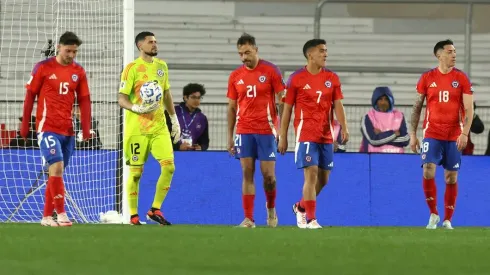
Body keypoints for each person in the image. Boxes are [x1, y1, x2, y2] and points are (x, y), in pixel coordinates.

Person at [21, 31, 92, 227]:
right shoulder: (43, 67)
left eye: (75, 52)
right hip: (47, 127)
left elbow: (85, 100)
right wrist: (25, 126)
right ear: (59, 47)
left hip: (67, 130)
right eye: (68, 50)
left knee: (56, 173)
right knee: (57, 167)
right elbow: (30, 97)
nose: (71, 55)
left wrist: (86, 128)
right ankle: (61, 214)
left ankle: (46, 217)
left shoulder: (79, 71)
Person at [278, 39, 349, 229]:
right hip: (305, 132)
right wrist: (283, 135)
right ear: (310, 55)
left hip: (326, 134)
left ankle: (300, 206)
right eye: (321, 51)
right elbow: (287, 109)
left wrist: (344, 126)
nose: (325, 54)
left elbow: (338, 104)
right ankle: (311, 219)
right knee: (311, 174)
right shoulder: (296, 78)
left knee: (324, 178)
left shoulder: (332, 78)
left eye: (326, 51)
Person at [410, 39, 474, 230]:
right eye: (449, 51)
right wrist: (413, 134)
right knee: (428, 168)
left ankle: (447, 219)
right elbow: (416, 107)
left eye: (455, 51)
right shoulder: (427, 78)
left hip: (454, 134)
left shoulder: (461, 78)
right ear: (439, 55)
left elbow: (469, 109)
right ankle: (433, 214)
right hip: (432, 133)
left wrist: (464, 133)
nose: (454, 55)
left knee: (451, 177)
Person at [118, 31, 180, 226]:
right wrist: (135, 107)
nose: (155, 44)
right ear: (140, 46)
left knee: (169, 166)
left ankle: (155, 209)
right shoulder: (131, 68)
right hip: (137, 129)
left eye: (156, 41)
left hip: (159, 127)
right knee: (136, 173)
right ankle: (134, 215)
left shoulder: (162, 67)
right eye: (150, 42)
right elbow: (122, 98)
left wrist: (174, 118)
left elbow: (167, 93)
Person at [227, 33, 285, 228]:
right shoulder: (235, 76)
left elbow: (281, 101)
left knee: (269, 176)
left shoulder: (271, 71)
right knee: (247, 172)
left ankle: (271, 210)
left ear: (256, 50)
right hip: (244, 130)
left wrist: (283, 132)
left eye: (248, 52)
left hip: (266, 130)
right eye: (241, 54)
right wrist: (230, 136)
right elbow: (232, 107)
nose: (244, 57)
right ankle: (249, 218)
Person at [359, 86, 409, 153]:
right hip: (372, 159)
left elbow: (405, 140)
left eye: (386, 99)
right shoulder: (368, 117)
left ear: (390, 100)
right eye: (380, 99)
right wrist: (394, 134)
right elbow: (373, 140)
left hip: (397, 158)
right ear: (375, 101)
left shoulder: (399, 116)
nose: (383, 102)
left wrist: (381, 135)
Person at [166, 83, 209, 151]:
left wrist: (201, 147)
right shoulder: (172, 112)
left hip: (191, 156)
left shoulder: (202, 119)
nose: (196, 100)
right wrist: (177, 147)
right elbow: (163, 136)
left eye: (199, 98)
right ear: (185, 97)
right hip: (172, 153)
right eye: (193, 97)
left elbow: (205, 142)